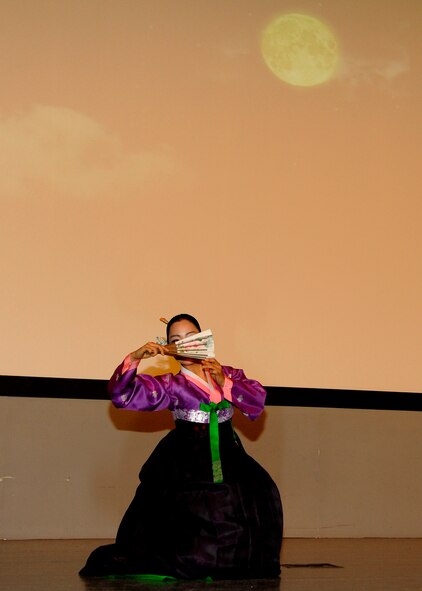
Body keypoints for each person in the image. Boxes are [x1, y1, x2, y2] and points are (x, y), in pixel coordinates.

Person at [79, 314, 283, 580]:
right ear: (169, 348)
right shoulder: (171, 384)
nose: (184, 345)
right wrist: (136, 357)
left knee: (260, 492)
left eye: (190, 338)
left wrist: (226, 382)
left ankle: (240, 561)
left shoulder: (225, 372)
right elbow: (122, 395)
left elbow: (256, 401)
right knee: (192, 524)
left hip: (228, 456)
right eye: (176, 341)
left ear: (203, 339)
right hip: (187, 462)